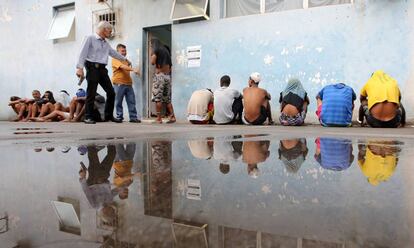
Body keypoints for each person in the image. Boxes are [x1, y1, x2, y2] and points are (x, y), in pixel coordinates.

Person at [76, 21, 128, 124]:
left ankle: (108, 116)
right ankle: (88, 116)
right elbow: (82, 53)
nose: (111, 32)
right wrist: (79, 68)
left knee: (111, 92)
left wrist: (124, 59)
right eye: (110, 30)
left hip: (102, 69)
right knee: (91, 92)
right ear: (104, 29)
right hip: (92, 67)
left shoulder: (105, 43)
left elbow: (113, 52)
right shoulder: (90, 38)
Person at [112, 44, 141, 123]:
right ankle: (119, 117)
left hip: (128, 83)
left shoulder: (125, 60)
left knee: (131, 101)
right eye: (122, 51)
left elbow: (126, 66)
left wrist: (128, 62)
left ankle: (133, 117)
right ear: (117, 52)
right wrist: (133, 69)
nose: (124, 52)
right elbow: (122, 67)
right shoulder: (115, 59)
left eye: (125, 51)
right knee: (118, 101)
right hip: (119, 83)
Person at [150, 39, 176, 124]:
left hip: (159, 77)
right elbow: (170, 67)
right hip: (167, 77)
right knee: (167, 99)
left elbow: (152, 62)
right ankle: (172, 117)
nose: (151, 47)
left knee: (158, 99)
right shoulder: (166, 52)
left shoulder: (156, 49)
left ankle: (158, 118)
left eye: (151, 45)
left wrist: (152, 55)